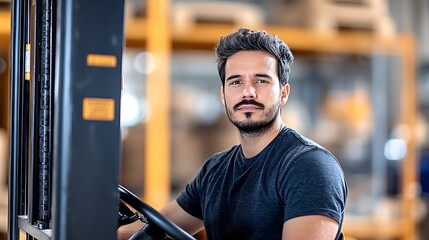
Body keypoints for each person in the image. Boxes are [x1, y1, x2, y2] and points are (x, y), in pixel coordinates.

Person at [118, 27, 347, 240]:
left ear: (284, 93)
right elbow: (157, 228)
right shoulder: (216, 171)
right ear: (223, 95)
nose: (248, 92)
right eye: (236, 81)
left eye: (261, 80)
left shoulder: (309, 167)